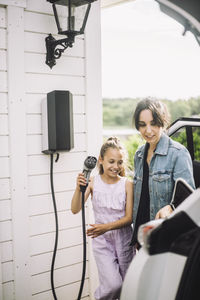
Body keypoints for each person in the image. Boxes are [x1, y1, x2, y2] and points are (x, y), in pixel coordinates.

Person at [71, 137, 135, 300]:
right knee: (113, 285)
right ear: (101, 160)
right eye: (111, 161)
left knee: (127, 286)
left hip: (124, 240)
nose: (116, 166)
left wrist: (105, 227)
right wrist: (79, 189)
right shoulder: (93, 182)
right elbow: (75, 209)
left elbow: (128, 218)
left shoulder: (127, 184)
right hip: (102, 242)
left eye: (119, 162)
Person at [130, 98, 195, 248]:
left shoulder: (178, 153)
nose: (148, 130)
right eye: (142, 125)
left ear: (163, 122)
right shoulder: (139, 155)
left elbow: (188, 198)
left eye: (153, 123)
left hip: (165, 237)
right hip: (142, 236)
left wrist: (171, 207)